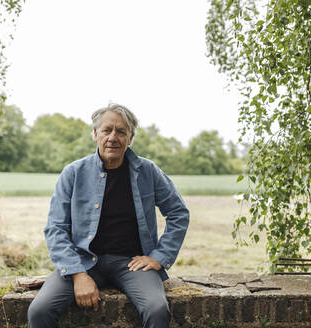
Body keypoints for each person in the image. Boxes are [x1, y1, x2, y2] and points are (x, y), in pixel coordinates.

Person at [27, 104, 190, 328]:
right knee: (39, 310)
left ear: (130, 138)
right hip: (83, 261)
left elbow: (178, 212)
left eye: (121, 131)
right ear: (95, 134)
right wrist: (77, 274)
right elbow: (56, 228)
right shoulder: (73, 173)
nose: (113, 137)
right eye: (107, 130)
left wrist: (160, 256)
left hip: (133, 264)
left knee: (157, 310)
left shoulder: (148, 171)